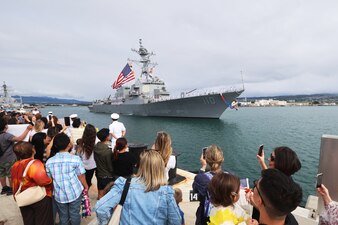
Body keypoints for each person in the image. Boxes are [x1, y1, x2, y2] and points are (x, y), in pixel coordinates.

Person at [95, 150, 181, 225]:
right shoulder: (167, 193)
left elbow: (101, 208)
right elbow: (176, 221)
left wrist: (105, 222)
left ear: (141, 166)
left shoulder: (124, 185)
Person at [45, 133, 88, 225]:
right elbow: (81, 176)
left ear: (55, 146)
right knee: (74, 214)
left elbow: (49, 179)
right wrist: (86, 186)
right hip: (74, 192)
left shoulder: (49, 162)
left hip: (59, 195)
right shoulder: (75, 159)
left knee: (63, 216)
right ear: (69, 145)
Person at [253, 146, 302, 222]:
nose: (269, 159)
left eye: (272, 158)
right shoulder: (287, 186)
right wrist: (262, 162)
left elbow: (270, 213)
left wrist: (253, 202)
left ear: (281, 163)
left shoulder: (276, 190)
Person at [11, 141, 53, 225]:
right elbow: (43, 181)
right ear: (33, 150)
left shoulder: (15, 165)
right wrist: (51, 180)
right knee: (43, 221)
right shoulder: (35, 163)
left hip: (23, 198)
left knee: (29, 221)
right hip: (38, 199)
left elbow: (14, 183)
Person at [192, 144, 227, 225]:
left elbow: (195, 192)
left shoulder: (200, 178)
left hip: (205, 217)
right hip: (224, 216)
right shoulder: (231, 178)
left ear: (206, 160)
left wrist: (203, 168)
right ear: (222, 159)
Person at [0, 118, 32, 195]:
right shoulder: (6, 136)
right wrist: (27, 130)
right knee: (10, 174)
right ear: (5, 126)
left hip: (0, 159)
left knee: (2, 174)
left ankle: (4, 188)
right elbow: (20, 138)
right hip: (9, 158)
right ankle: (11, 189)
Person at [94, 128, 115, 200]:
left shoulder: (96, 147)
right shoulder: (108, 151)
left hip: (99, 173)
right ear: (107, 137)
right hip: (107, 175)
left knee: (100, 192)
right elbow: (110, 167)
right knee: (107, 195)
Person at [77, 124, 97, 191]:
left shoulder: (81, 143)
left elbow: (78, 155)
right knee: (88, 181)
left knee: (82, 181)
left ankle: (83, 194)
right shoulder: (96, 142)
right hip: (92, 166)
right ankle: (86, 194)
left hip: (82, 166)